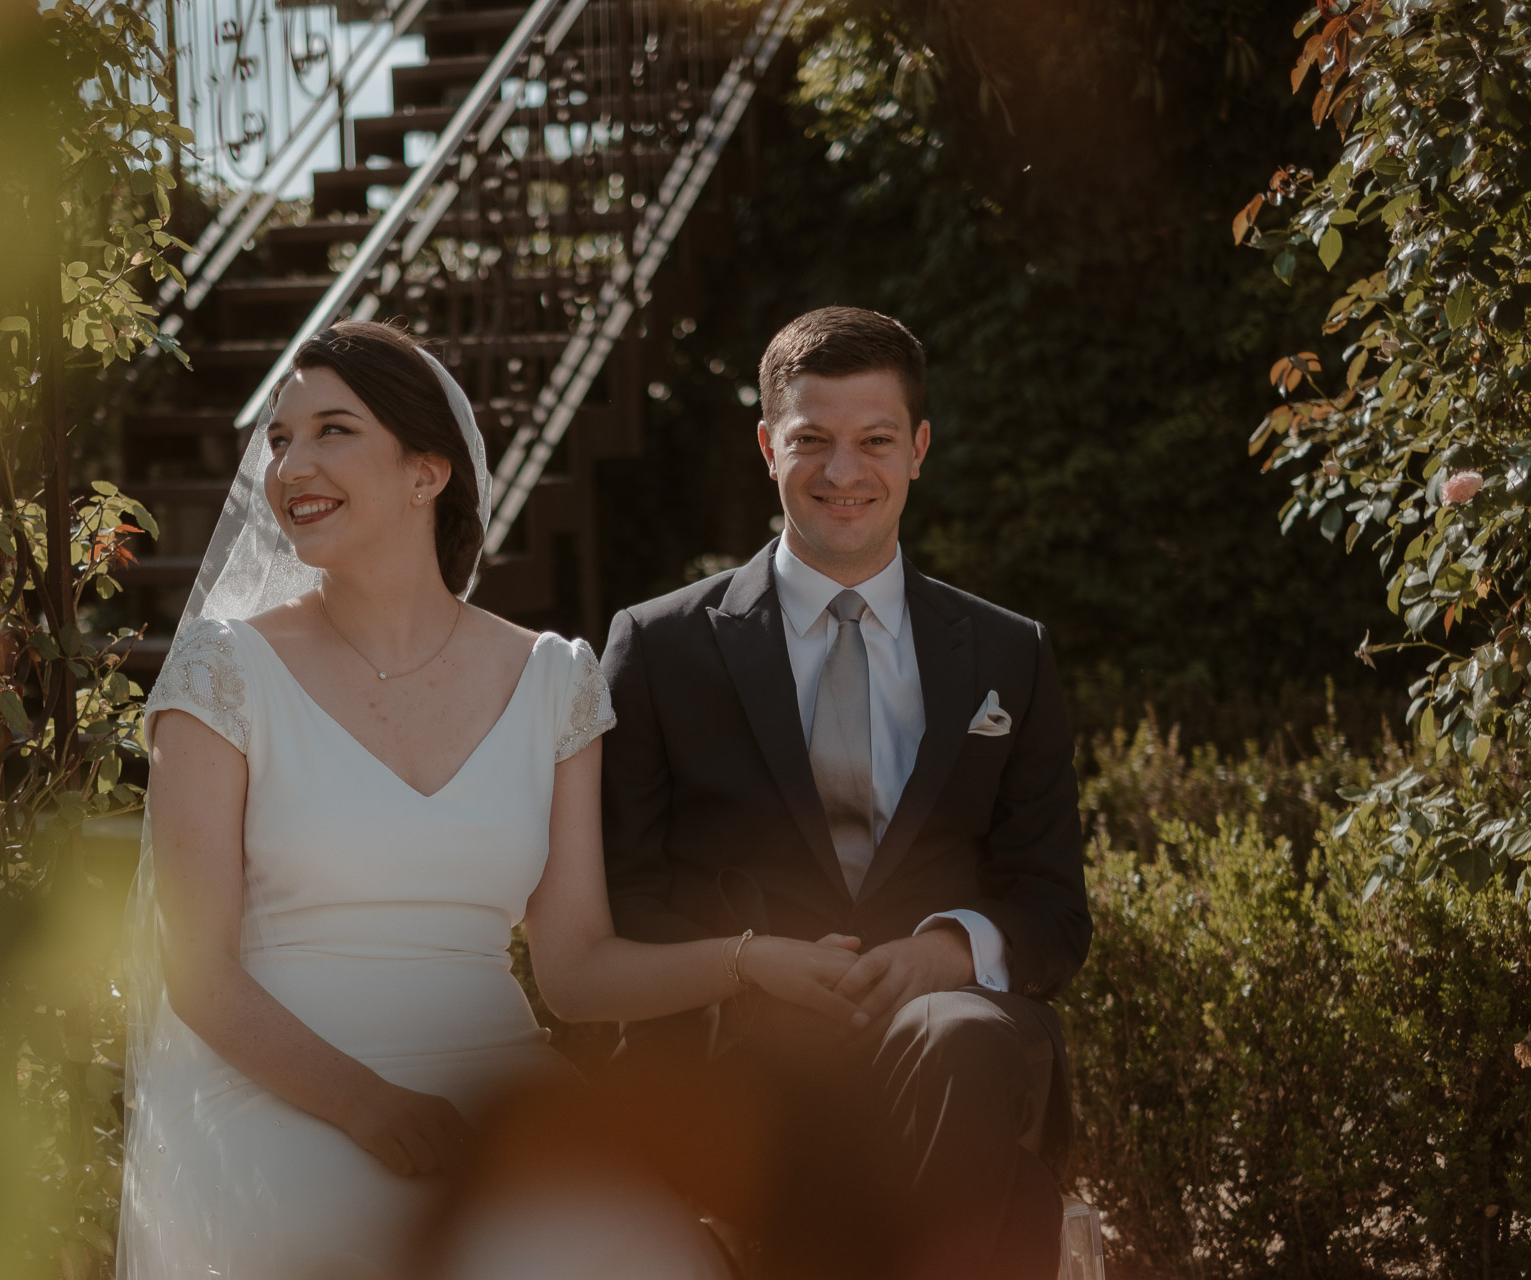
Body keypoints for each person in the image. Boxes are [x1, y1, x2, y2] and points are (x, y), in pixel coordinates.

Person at [116, 320, 864, 1280]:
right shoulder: (223, 672)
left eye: (332, 431)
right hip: (284, 1092)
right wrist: (368, 1107)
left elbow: (576, 970)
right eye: (278, 439)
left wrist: (753, 964)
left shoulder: (555, 679)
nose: (291, 465)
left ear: (428, 473)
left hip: (495, 1087)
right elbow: (197, 974)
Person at [599, 306, 1092, 1279]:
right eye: (809, 441)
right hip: (738, 1039)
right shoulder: (657, 649)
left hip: (947, 1038)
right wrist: (751, 966)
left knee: (963, 1039)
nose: (840, 472)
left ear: (916, 448)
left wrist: (945, 950)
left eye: (872, 440)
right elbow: (624, 898)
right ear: (764, 446)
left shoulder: (1007, 653)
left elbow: (1050, 907)